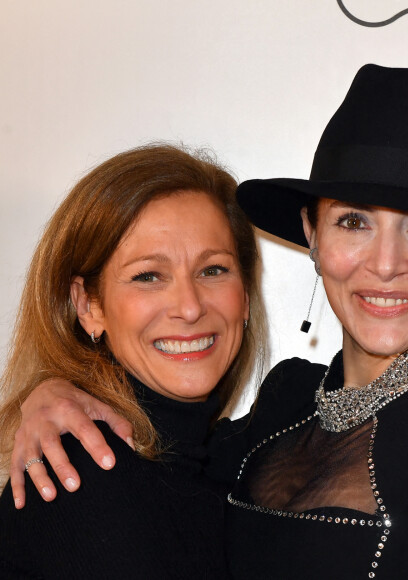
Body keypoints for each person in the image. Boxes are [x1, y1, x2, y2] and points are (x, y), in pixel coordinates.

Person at [7, 66, 408, 579]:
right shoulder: (283, 405)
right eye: (354, 222)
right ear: (314, 238)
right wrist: (54, 391)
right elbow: (165, 462)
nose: (387, 263)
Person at [0, 143, 265, 579]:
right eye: (148, 276)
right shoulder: (80, 474)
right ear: (88, 306)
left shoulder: (238, 463)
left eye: (213, 270)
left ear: (246, 296)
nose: (190, 306)